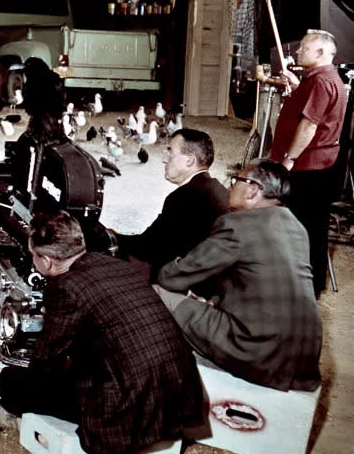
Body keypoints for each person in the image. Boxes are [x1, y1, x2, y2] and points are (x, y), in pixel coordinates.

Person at [0, 211, 203, 454]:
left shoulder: (66, 288)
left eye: (33, 255)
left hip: (126, 416)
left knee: (9, 380)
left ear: (46, 261)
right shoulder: (118, 265)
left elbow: (47, 363)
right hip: (178, 405)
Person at [156, 160, 322, 392]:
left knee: (158, 292)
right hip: (304, 360)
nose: (229, 187)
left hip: (258, 351)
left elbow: (172, 278)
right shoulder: (297, 228)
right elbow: (259, 285)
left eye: (236, 181)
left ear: (253, 190)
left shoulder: (236, 224)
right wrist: (214, 302)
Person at [271, 29, 347, 297]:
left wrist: (288, 160)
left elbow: (309, 126)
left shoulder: (321, 82)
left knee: (303, 229)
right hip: (315, 167)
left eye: (303, 47)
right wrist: (295, 86)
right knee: (309, 226)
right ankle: (307, 285)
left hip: (309, 168)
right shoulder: (318, 79)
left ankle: (304, 288)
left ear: (321, 53)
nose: (297, 51)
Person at [117, 128, 228, 282]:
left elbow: (147, 248)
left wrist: (113, 236)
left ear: (189, 160)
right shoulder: (217, 189)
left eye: (170, 152)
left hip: (190, 287)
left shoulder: (185, 196)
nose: (164, 159)